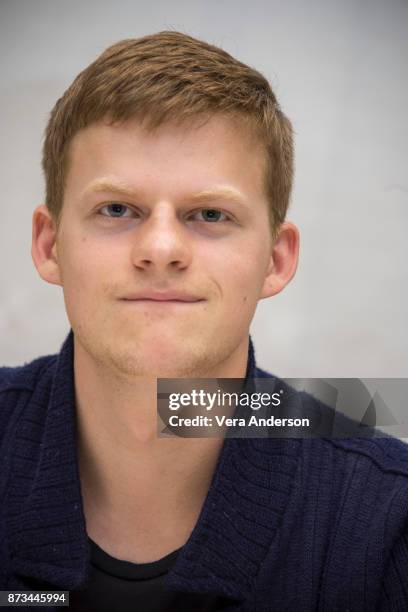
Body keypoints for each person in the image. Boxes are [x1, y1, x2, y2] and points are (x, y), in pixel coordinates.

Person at [0, 30, 407, 612]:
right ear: (49, 244)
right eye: (117, 208)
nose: (161, 248)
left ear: (276, 260)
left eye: (209, 214)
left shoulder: (387, 520)